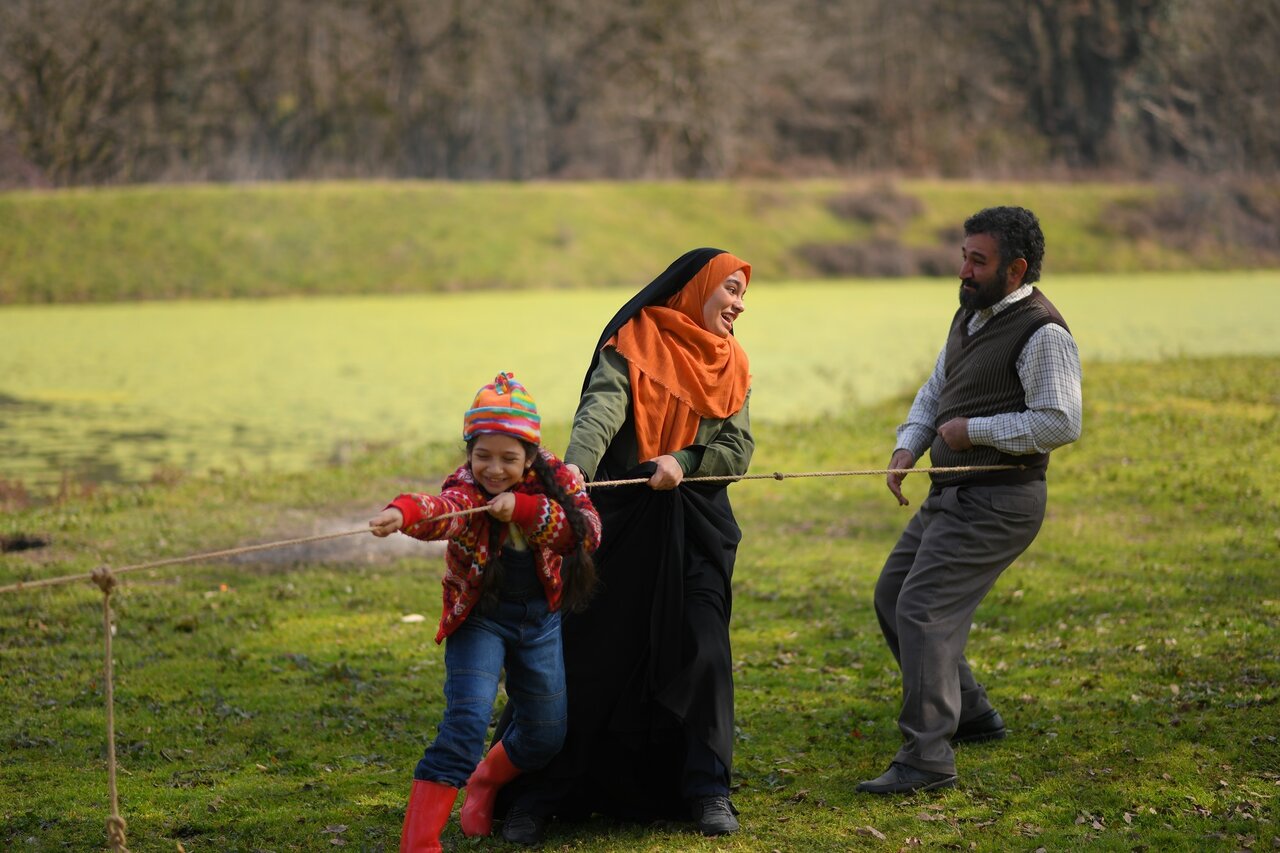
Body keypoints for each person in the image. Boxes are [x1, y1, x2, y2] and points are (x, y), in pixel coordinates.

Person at [493, 248, 755, 843]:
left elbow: (737, 449)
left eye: (744, 294)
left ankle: (707, 789)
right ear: (697, 288)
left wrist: (683, 461)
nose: (739, 305)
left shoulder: (733, 362)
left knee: (703, 647)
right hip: (620, 519)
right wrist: (576, 470)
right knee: (585, 653)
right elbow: (601, 410)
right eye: (731, 289)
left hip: (697, 527)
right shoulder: (633, 339)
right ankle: (538, 793)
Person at [856, 206, 1083, 795]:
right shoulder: (970, 316)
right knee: (893, 595)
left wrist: (974, 432)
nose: (963, 270)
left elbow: (1061, 422)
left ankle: (927, 758)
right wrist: (910, 445)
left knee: (923, 610)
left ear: (1016, 269)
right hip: (952, 493)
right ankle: (973, 713)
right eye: (964, 256)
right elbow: (937, 390)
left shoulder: (1043, 332)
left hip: (1001, 501)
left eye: (977, 261)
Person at [368, 372, 601, 852]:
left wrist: (524, 509)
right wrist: (404, 513)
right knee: (466, 724)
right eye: (482, 456)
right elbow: (444, 508)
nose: (493, 469)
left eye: (508, 458)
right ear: (469, 452)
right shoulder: (468, 486)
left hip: (539, 620)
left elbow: (587, 532)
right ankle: (419, 844)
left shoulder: (557, 480)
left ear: (529, 456)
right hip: (480, 617)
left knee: (545, 734)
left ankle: (484, 782)